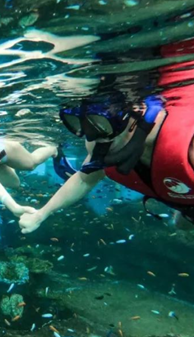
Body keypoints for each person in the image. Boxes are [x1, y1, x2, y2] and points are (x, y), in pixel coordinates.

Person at [19, 40, 194, 233]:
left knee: (183, 225)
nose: (94, 138)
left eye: (101, 123)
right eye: (81, 125)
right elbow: (84, 180)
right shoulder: (102, 146)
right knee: (182, 224)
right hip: (181, 201)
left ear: (134, 117)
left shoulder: (187, 147)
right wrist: (42, 213)